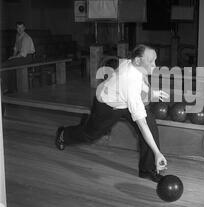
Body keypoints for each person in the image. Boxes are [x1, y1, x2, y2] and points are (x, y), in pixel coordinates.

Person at [55, 44, 168, 183]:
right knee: (90, 135)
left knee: (151, 127)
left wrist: (153, 93)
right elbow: (140, 120)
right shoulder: (129, 81)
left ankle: (147, 170)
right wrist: (157, 153)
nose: (155, 65)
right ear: (138, 61)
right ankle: (64, 134)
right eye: (151, 61)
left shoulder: (132, 63)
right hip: (107, 105)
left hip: (125, 100)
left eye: (155, 60)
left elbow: (139, 88)